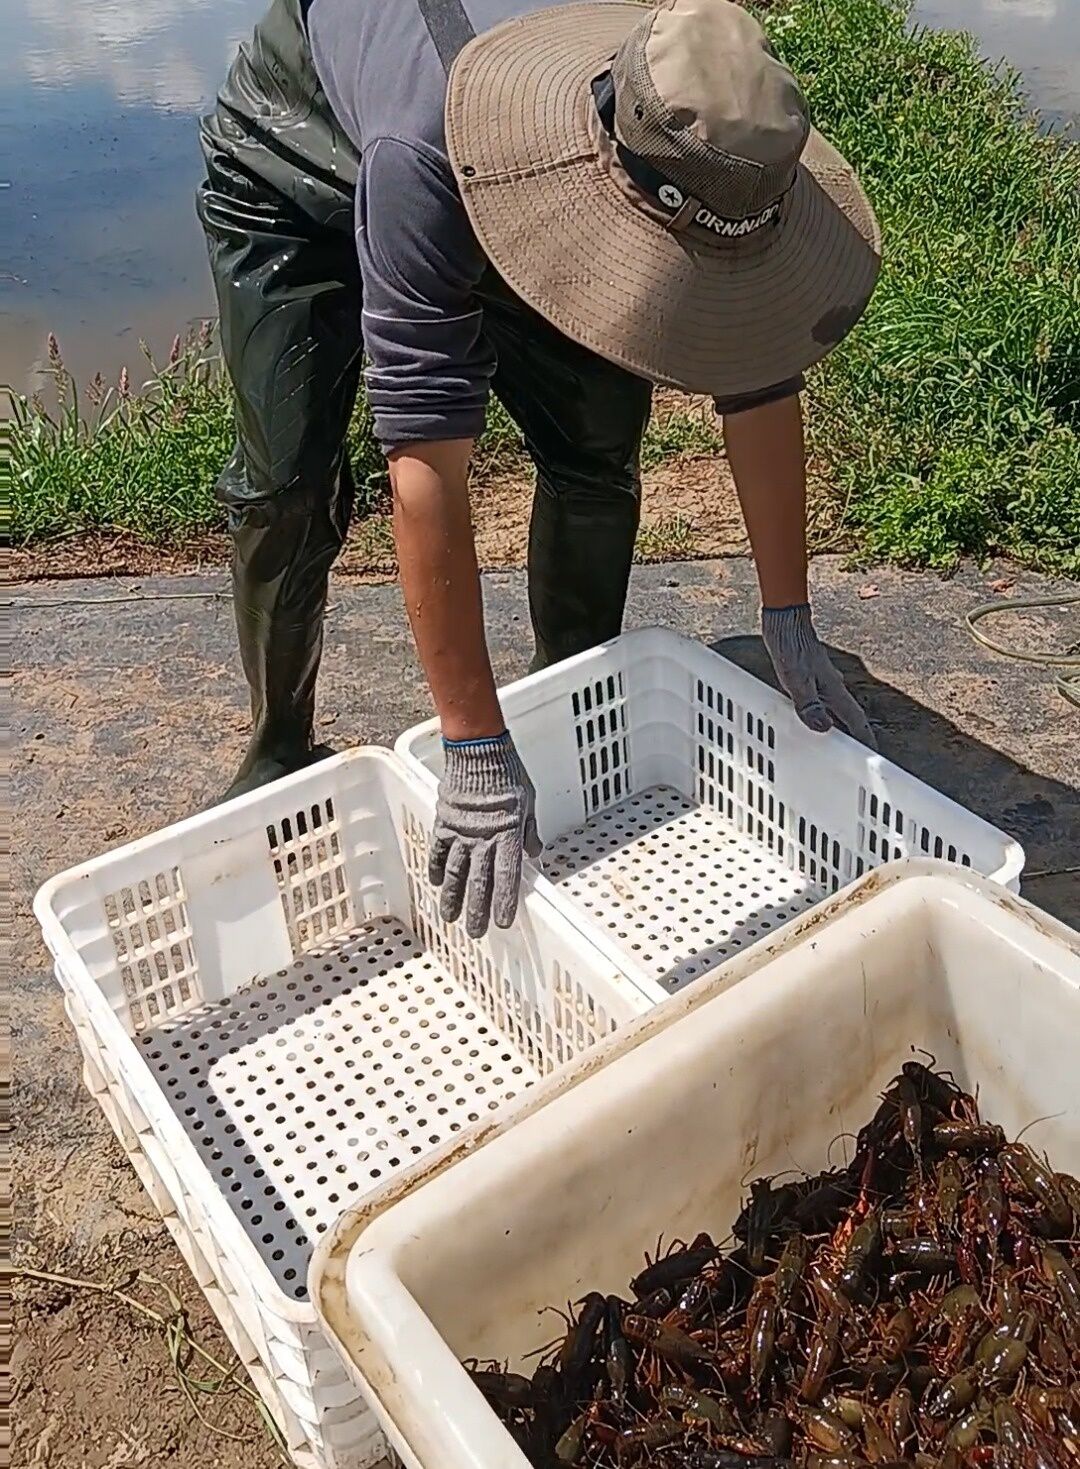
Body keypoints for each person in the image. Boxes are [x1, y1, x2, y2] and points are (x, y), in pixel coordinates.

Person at [198, 0, 881, 938]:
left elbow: (758, 372)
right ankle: (278, 745)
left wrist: (788, 611)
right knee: (288, 486)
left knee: (597, 443)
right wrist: (470, 744)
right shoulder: (423, 146)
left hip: (528, 151)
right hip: (299, 166)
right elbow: (426, 458)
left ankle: (572, 711)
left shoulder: (700, 109)